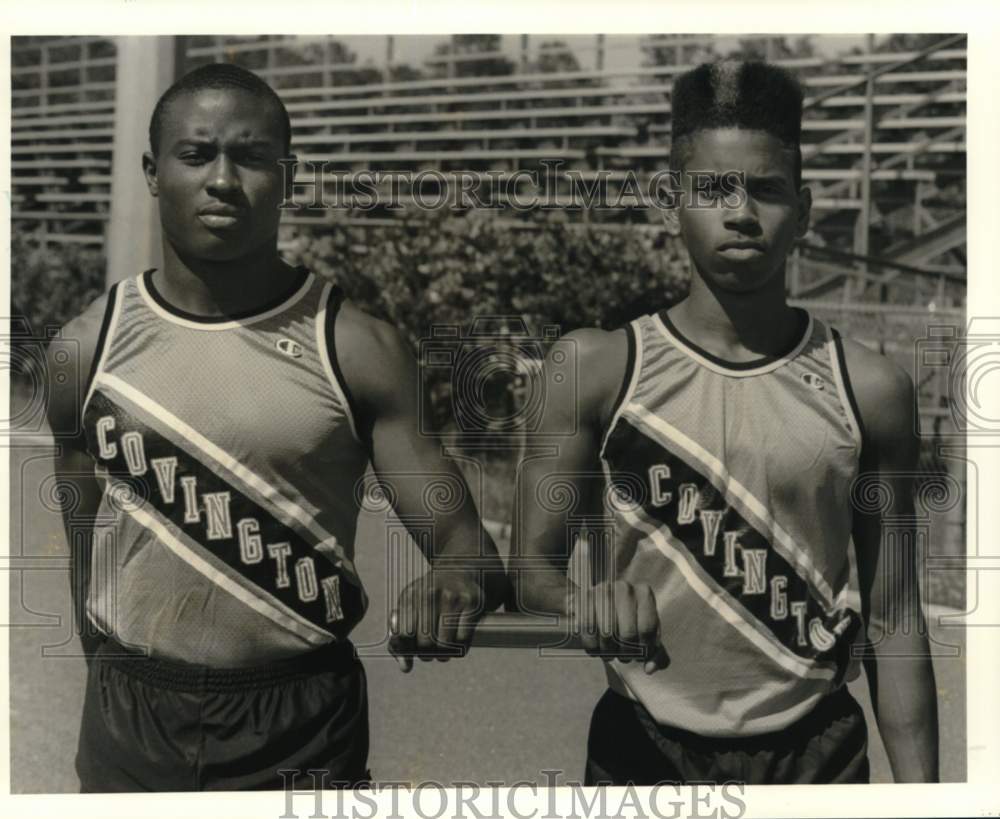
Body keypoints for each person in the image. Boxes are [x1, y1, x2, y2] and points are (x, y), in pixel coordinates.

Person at [44, 62, 507, 792]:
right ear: (153, 171)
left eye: (252, 156)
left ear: (287, 177)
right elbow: (83, 547)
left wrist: (454, 580)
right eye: (196, 154)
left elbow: (464, 544)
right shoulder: (84, 350)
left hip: (300, 715)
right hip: (130, 709)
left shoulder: (357, 348)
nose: (223, 179)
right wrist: (109, 669)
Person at [512, 60, 939, 784]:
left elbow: (895, 620)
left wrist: (928, 797)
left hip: (818, 753)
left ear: (803, 211)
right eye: (713, 188)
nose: (741, 212)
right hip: (644, 746)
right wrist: (584, 602)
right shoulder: (595, 368)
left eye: (768, 190)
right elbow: (530, 570)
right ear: (671, 200)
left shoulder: (870, 387)